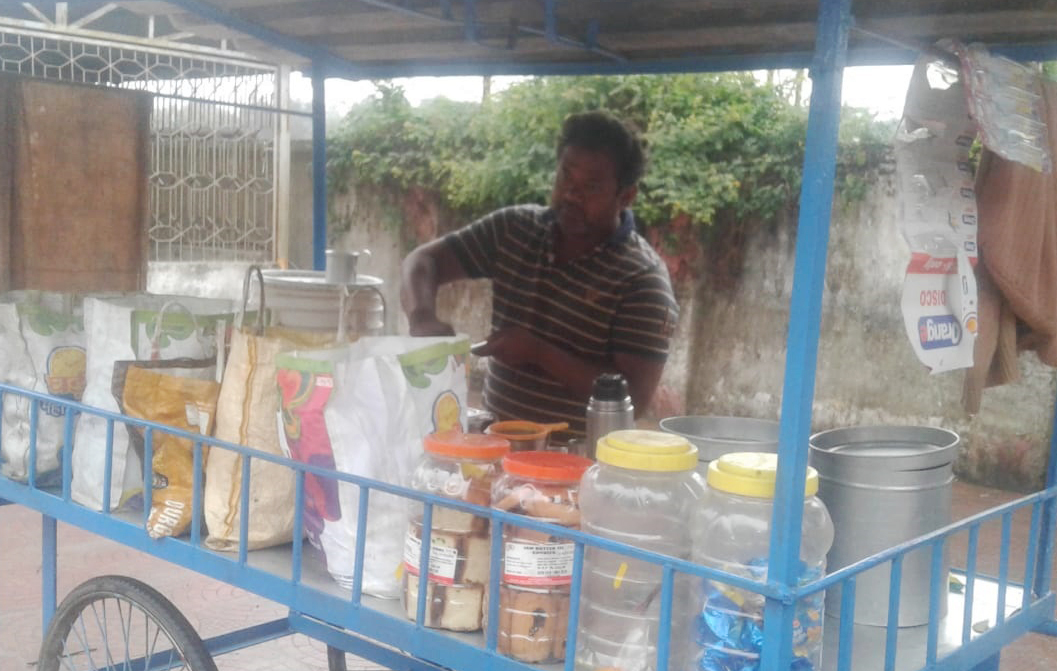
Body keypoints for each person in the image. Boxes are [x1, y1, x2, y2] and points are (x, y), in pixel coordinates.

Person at [400, 110, 678, 436]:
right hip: (494, 445)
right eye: (566, 177)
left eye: (591, 186)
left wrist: (540, 353)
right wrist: (421, 316)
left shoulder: (642, 280)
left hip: (579, 458)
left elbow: (634, 399)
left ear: (626, 197)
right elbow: (422, 261)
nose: (572, 194)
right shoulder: (516, 230)